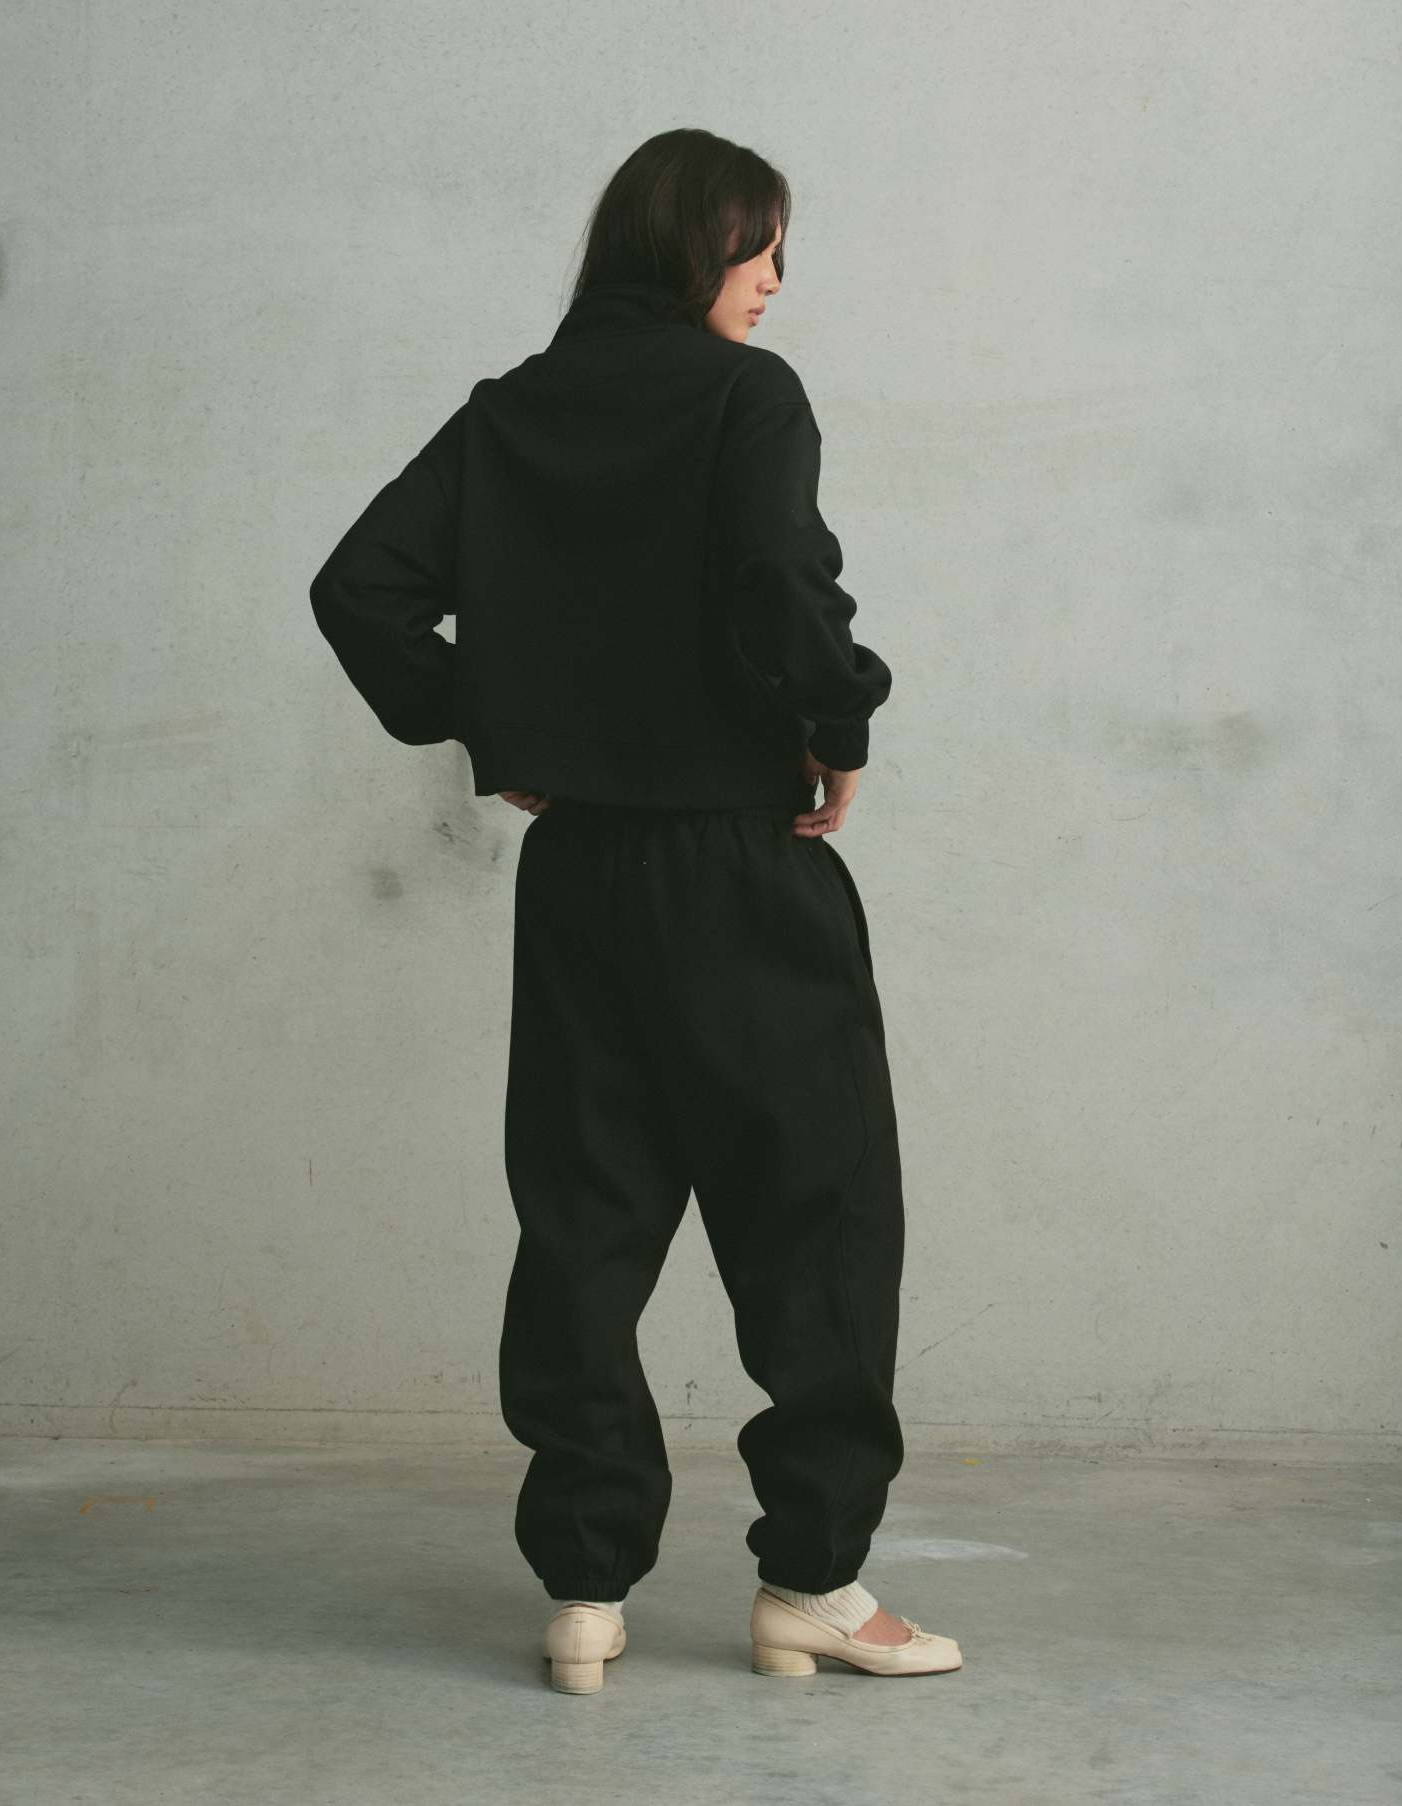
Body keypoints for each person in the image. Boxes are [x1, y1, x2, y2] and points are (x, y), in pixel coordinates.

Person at [308, 126, 962, 1694]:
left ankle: (585, 1588)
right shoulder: (746, 396)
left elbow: (358, 588)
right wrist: (838, 721)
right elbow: (779, 579)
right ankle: (811, 1577)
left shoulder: (512, 409)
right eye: (758, 245)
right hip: (741, 865)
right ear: (694, 249)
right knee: (813, 1211)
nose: (775, 279)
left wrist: (501, 723)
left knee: (585, 1216)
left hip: (581, 874)